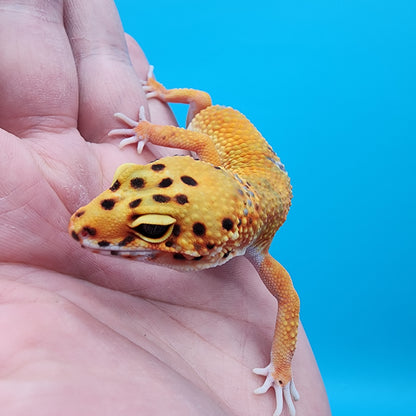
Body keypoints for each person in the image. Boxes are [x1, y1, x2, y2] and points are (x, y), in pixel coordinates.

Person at [0, 1, 331, 414]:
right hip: (228, 157)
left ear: (225, 243)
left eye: (153, 229)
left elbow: (290, 303)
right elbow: (204, 145)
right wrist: (148, 129)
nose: (88, 222)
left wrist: (282, 368)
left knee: (202, 103)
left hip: (239, 163)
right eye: (125, 183)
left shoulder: (256, 248)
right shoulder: (210, 160)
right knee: (201, 105)